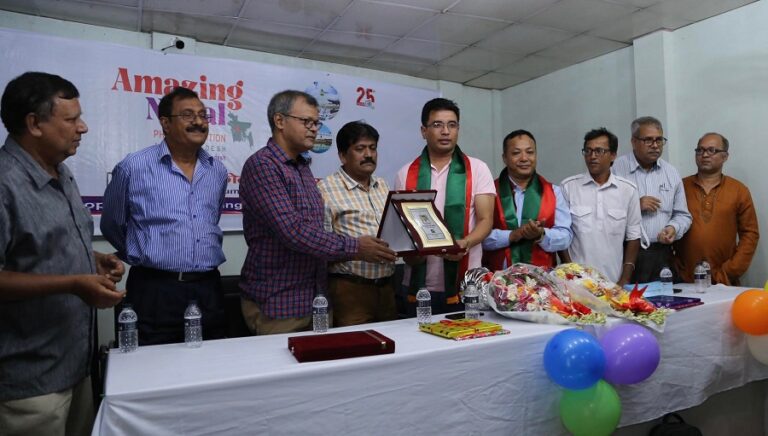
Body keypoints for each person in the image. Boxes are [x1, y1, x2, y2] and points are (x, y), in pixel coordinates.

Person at [0, 72, 125, 435]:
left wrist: (92, 259)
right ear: (34, 124)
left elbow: (41, 245)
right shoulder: (5, 183)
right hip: (30, 382)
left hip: (75, 365)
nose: (82, 127)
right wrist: (73, 283)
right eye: (71, 119)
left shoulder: (62, 172)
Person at [239, 90, 396, 335]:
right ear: (280, 121)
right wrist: (357, 247)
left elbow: (316, 230)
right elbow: (293, 231)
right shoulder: (263, 165)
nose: (314, 129)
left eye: (316, 123)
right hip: (280, 302)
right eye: (307, 122)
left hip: (317, 300)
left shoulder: (302, 168)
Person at [101, 87, 227, 345]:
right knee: (153, 362)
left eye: (203, 115)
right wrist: (143, 251)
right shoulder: (133, 167)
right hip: (155, 289)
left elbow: (211, 219)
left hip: (208, 288)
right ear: (165, 123)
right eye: (188, 115)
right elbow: (112, 224)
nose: (199, 122)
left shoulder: (217, 170)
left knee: (212, 361)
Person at [394, 98, 495, 314]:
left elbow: (486, 220)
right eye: (437, 125)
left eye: (452, 125)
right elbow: (402, 226)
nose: (446, 131)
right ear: (424, 131)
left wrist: (465, 243)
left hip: (467, 285)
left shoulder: (477, 168)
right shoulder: (405, 173)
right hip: (418, 286)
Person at [318, 121, 396, 326]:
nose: (368, 154)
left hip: (387, 288)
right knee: (356, 344)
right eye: (360, 149)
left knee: (393, 343)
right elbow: (321, 245)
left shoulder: (383, 186)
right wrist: (357, 249)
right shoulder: (325, 189)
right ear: (343, 156)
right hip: (350, 291)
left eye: (372, 148)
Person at [612, 116, 691, 283]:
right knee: (626, 299)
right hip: (624, 254)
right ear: (634, 142)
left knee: (666, 299)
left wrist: (673, 228)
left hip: (661, 254)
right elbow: (604, 213)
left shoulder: (671, 173)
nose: (655, 145)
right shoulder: (615, 170)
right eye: (648, 140)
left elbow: (683, 215)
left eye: (659, 140)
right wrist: (635, 206)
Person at [674, 132, 759, 285]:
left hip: (725, 282)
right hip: (684, 280)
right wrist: (676, 267)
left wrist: (730, 271)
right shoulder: (680, 187)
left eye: (712, 150)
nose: (705, 155)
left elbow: (750, 234)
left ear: (725, 156)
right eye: (700, 150)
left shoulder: (739, 190)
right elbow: (665, 224)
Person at [559, 128, 641, 285]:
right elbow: (561, 236)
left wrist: (624, 279)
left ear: (613, 155)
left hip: (613, 282)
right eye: (588, 151)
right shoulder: (568, 187)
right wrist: (571, 273)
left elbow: (633, 237)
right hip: (576, 284)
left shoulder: (628, 190)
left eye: (599, 151)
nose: (592, 156)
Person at [482, 130, 572, 270]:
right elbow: (478, 238)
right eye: (516, 153)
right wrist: (512, 235)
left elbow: (565, 237)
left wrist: (541, 234)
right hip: (496, 277)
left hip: (542, 279)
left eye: (530, 152)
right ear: (504, 158)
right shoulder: (488, 191)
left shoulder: (554, 192)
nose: (524, 158)